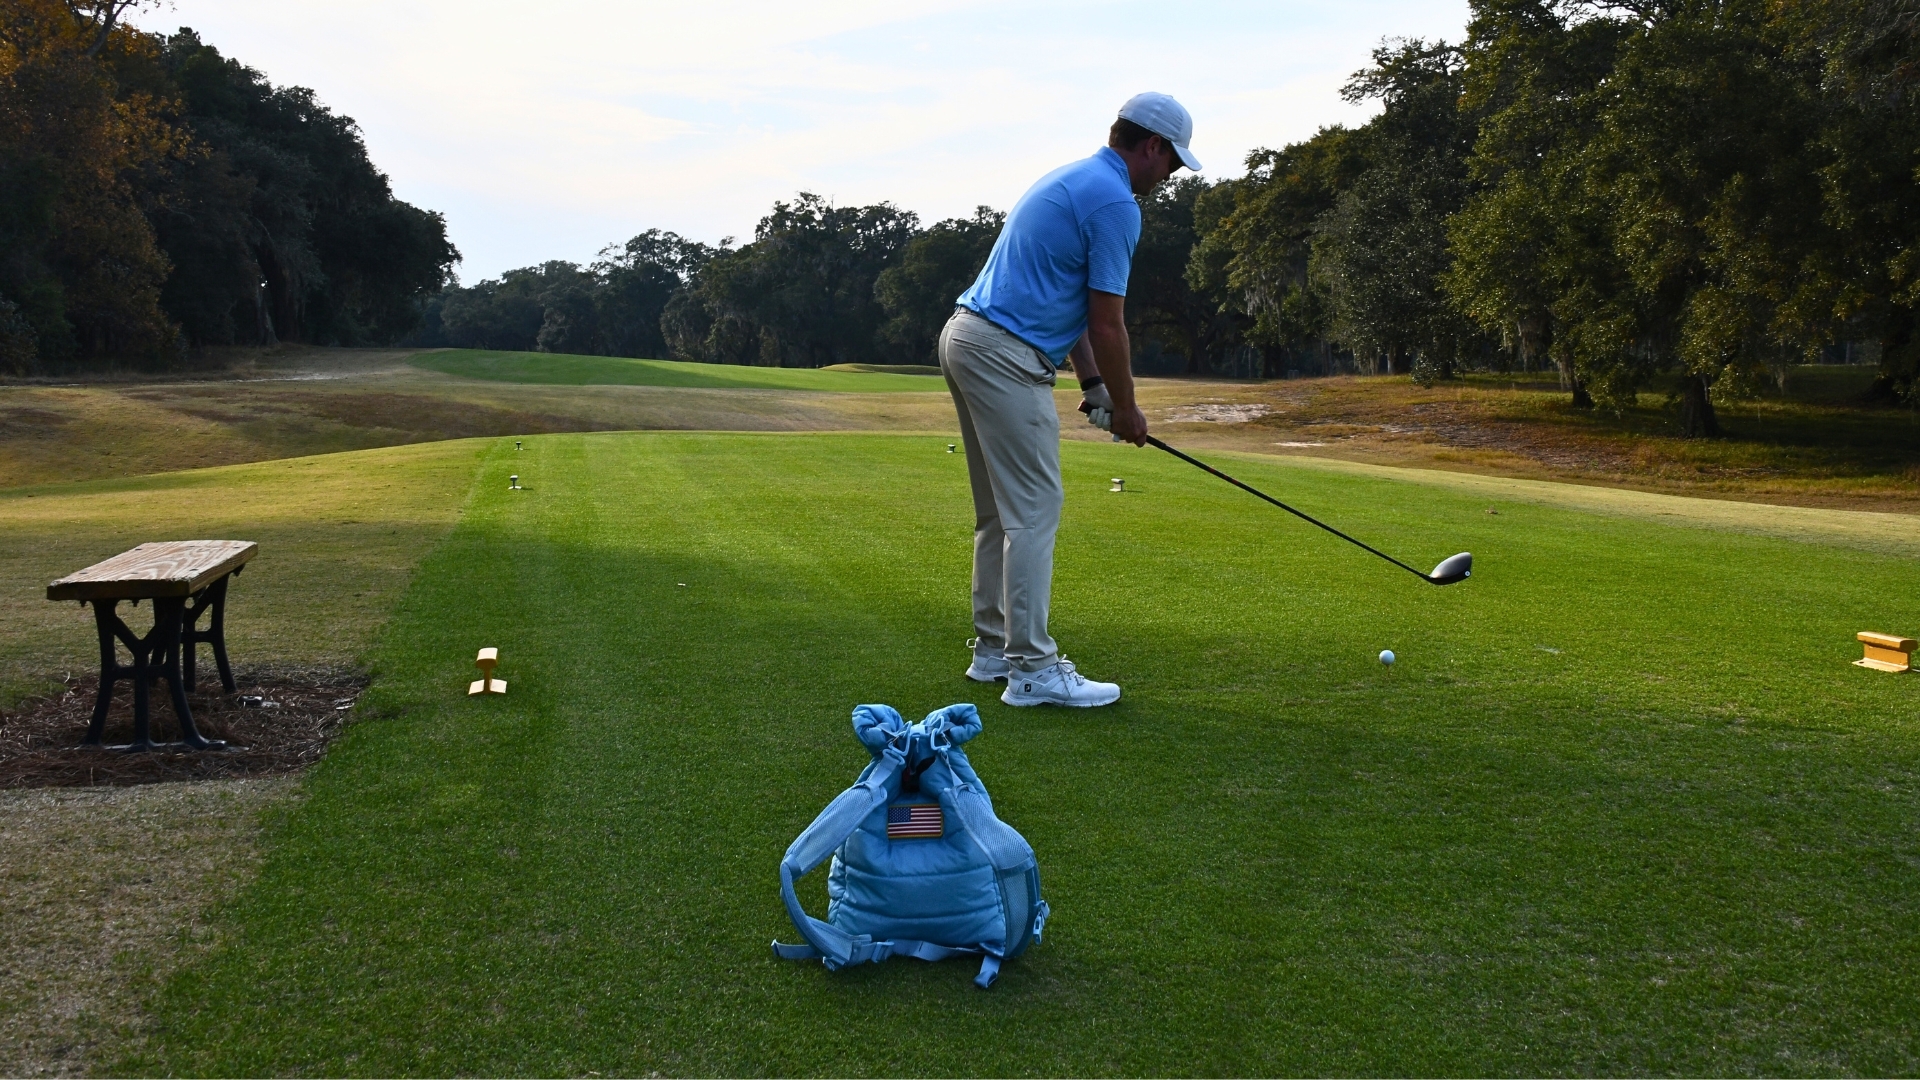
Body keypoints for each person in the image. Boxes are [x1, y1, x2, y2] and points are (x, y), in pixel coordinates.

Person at [939, 92, 1200, 708]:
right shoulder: (1115, 202)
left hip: (967, 338)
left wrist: (1093, 387)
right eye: (1172, 163)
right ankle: (1032, 669)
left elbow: (1079, 308)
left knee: (1000, 515)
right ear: (1151, 147)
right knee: (1034, 511)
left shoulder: (1074, 177)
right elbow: (1109, 323)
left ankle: (994, 651)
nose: (1170, 178)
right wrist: (1129, 409)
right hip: (1003, 353)